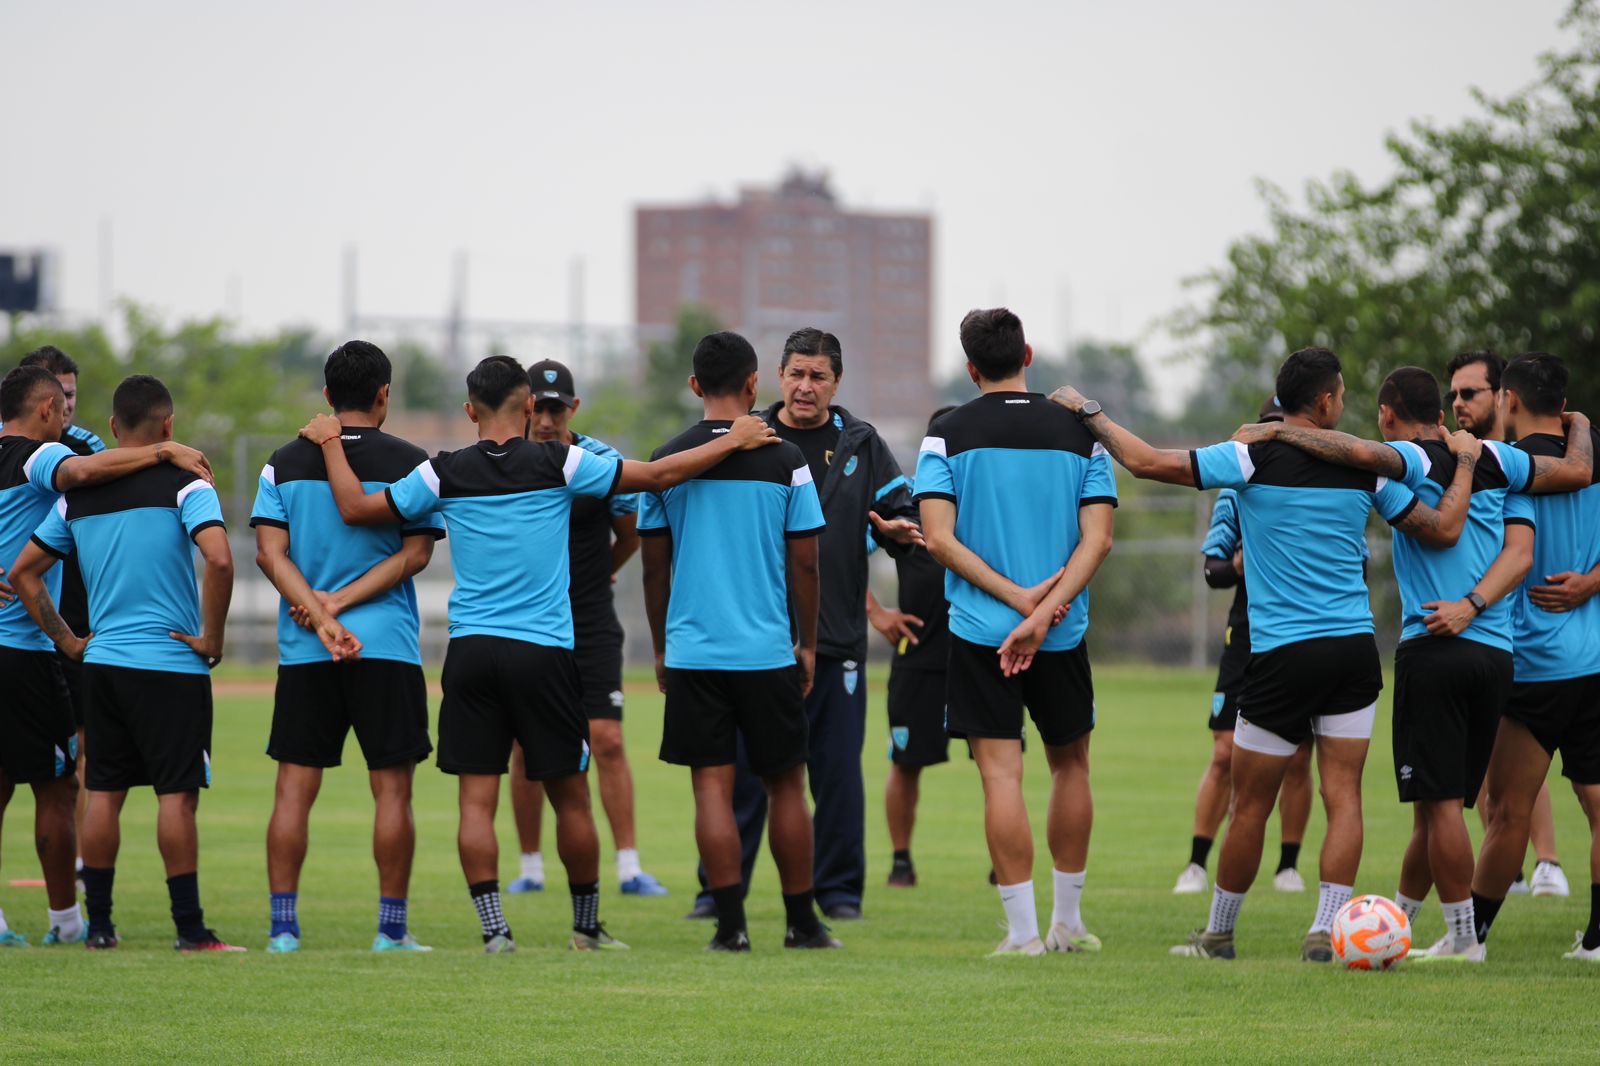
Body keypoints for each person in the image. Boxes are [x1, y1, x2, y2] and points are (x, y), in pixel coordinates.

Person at [304, 354, 776, 953]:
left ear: (469, 410)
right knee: (570, 795)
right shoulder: (559, 462)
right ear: (529, 407)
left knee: (476, 797)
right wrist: (733, 440)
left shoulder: (443, 472)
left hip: (472, 653)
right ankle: (584, 928)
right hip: (544, 653)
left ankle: (495, 930)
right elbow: (657, 477)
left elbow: (356, 509)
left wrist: (329, 443)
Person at [1051, 347, 1475, 961]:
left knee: (1250, 802)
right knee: (1345, 795)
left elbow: (1144, 461)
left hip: (1281, 656)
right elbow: (1437, 528)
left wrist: (1087, 410)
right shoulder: (1367, 469)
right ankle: (1327, 931)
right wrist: (1462, 470)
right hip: (1353, 649)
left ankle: (1219, 933)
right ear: (1326, 401)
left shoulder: (1249, 456)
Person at [1230, 364, 1591, 962]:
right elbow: (1571, 480)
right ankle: (1403, 920)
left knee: (1441, 804)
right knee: (1439, 806)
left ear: (1389, 416)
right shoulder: (1500, 462)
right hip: (1498, 655)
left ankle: (1466, 938)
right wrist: (1578, 423)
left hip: (1435, 644)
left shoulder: (1408, 459)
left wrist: (1278, 433)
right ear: (1444, 414)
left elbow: (1345, 450)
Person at [688, 328, 921, 922]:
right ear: (776, 376)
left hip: (835, 639)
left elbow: (904, 513)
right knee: (738, 776)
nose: (805, 387)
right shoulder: (748, 437)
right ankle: (720, 891)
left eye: (818, 376)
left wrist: (897, 531)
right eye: (795, 373)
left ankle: (839, 893)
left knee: (837, 773)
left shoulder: (862, 444)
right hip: (756, 641)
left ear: (836, 383)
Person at [912, 308, 1116, 957]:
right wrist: (1045, 609)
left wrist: (1014, 601)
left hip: (981, 634)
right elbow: (1099, 539)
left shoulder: (945, 433)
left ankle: (1025, 936)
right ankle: (1070, 924)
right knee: (1071, 765)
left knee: (1001, 777)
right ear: (1027, 353)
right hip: (1059, 631)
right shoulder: (1081, 432)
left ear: (971, 368)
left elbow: (937, 539)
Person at [11, 373, 238, 952]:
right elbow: (219, 560)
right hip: (171, 663)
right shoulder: (190, 485)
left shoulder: (77, 497)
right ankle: (189, 930)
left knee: (104, 792)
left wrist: (69, 642)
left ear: (112, 428)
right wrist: (211, 636)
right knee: (176, 795)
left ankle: (102, 927)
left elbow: (23, 573)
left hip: (103, 663)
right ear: (168, 425)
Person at [641, 330, 836, 951]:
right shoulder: (788, 461)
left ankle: (730, 928)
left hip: (694, 653)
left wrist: (662, 647)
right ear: (755, 384)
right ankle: (803, 924)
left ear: (695, 385)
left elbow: (652, 570)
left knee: (711, 789)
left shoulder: (664, 462)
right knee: (786, 785)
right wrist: (806, 644)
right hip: (768, 652)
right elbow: (805, 565)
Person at [250, 340, 443, 953]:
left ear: (327, 396)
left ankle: (283, 928)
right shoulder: (414, 461)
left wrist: (316, 607)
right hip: (384, 645)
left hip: (305, 648)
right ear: (384, 394)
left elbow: (269, 555)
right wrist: (343, 605)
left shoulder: (281, 462)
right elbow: (417, 554)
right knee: (391, 790)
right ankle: (390, 930)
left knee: (293, 789)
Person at [506, 359, 665, 899]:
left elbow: (630, 534)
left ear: (573, 408)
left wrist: (604, 572)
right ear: (525, 407)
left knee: (609, 740)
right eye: (538, 407)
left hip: (592, 620)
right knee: (525, 748)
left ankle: (628, 867)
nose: (547, 419)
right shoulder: (510, 461)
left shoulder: (600, 462)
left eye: (557, 408)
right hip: (530, 623)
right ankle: (530, 866)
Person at [1463, 353, 1600, 960]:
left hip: (1534, 660)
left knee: (1506, 811)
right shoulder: (1593, 453)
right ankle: (1597, 940)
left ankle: (1471, 936)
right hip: (1594, 656)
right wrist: (1592, 582)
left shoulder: (1506, 465)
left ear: (1509, 399)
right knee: (1597, 805)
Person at [1173, 395, 1313, 898]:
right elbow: (1212, 570)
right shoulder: (1236, 486)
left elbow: (1356, 564)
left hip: (1304, 633)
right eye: (1270, 426)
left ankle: (1288, 865)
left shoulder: (1323, 484)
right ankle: (1195, 862)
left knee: (1299, 758)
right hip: (1248, 633)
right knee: (1224, 752)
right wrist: (1239, 563)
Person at [1446, 349, 1570, 898]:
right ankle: (1514, 874)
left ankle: (1545, 865)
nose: (1458, 404)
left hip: (1531, 639)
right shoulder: (1468, 462)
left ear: (1503, 397)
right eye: (1452, 395)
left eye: (1469, 393)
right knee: (1493, 780)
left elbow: (1521, 554)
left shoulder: (1513, 462)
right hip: (1498, 640)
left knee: (1518, 772)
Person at [15, 347, 104, 879]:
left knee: (79, 752)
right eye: (58, 397)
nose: (66, 406)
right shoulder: (21, 451)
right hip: (24, 628)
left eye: (72, 394)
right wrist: (164, 452)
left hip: (75, 613)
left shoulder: (85, 445)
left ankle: (72, 862)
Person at [872, 405, 957, 889]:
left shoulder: (988, 509)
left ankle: (1002, 862)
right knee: (905, 763)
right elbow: (838, 549)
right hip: (918, 661)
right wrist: (874, 611)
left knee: (998, 761)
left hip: (981, 655)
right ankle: (901, 861)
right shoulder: (910, 511)